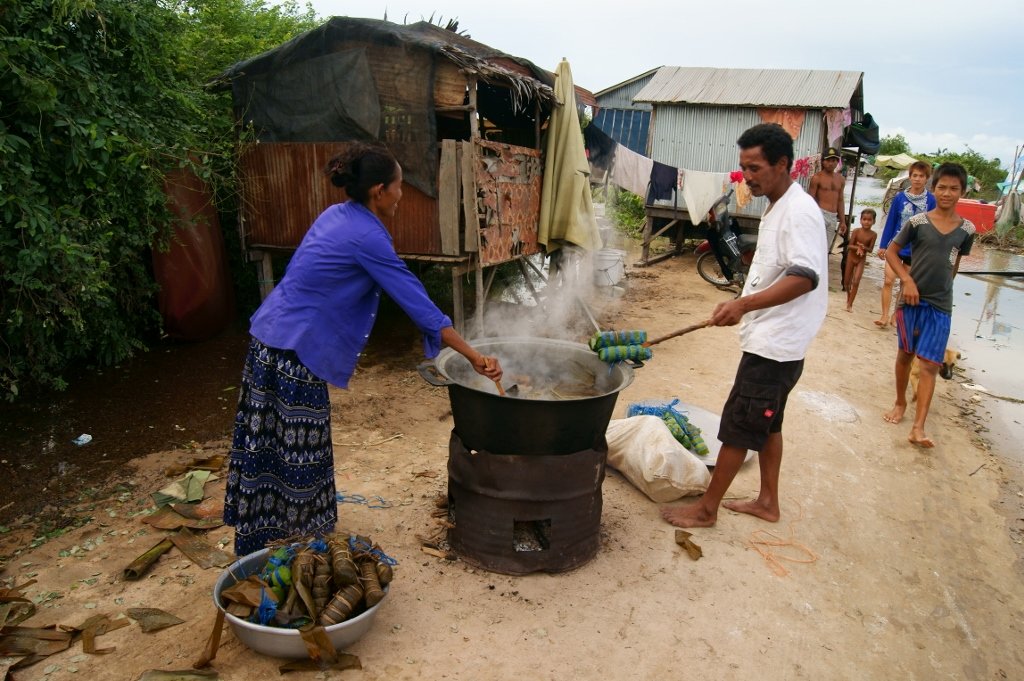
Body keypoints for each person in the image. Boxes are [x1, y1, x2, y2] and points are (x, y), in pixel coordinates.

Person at [223, 142, 503, 556]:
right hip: (295, 353)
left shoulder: (336, 215)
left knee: (266, 445)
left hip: (269, 339)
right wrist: (474, 356)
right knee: (298, 451)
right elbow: (419, 305)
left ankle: (264, 537)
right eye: (399, 186)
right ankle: (298, 548)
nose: (402, 194)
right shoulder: (368, 237)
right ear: (378, 191)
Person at [661, 123, 828, 529]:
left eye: (754, 168)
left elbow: (805, 276)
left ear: (782, 163)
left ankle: (706, 510)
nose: (747, 176)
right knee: (769, 424)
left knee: (738, 426)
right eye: (743, 167)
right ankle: (768, 501)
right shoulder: (778, 203)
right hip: (776, 340)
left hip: (775, 346)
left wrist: (744, 304)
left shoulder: (799, 211)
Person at [882, 163, 975, 448]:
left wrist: (943, 286)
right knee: (905, 356)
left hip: (940, 306)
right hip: (910, 303)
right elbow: (892, 253)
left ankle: (918, 428)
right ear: (934, 190)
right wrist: (907, 281)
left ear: (962, 192)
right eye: (942, 187)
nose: (947, 193)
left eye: (954, 188)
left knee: (930, 366)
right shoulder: (918, 222)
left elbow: (954, 264)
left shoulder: (967, 230)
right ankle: (900, 402)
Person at [875, 161, 935, 327]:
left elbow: (934, 225)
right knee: (888, 280)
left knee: (904, 282)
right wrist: (883, 245)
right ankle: (884, 315)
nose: (917, 179)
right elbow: (891, 222)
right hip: (896, 246)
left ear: (926, 179)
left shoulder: (931, 201)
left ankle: (896, 314)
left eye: (921, 176)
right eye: (914, 175)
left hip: (916, 249)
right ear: (910, 177)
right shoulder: (900, 198)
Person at [808, 146, 847, 254]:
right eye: (828, 160)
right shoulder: (817, 178)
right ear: (823, 161)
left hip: (833, 217)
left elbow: (840, 200)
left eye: (834, 160)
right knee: (815, 247)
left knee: (825, 249)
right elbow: (810, 200)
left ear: (837, 162)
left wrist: (843, 221)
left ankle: (821, 270)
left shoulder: (841, 179)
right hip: (820, 214)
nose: (831, 163)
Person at [844, 208, 878, 312]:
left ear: (873, 221)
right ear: (860, 220)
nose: (866, 222)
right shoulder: (856, 231)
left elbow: (871, 249)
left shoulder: (873, 234)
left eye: (869, 220)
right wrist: (857, 247)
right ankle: (848, 297)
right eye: (864, 219)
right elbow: (849, 246)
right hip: (851, 258)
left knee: (856, 281)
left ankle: (850, 304)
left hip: (861, 260)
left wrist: (863, 247)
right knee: (846, 282)